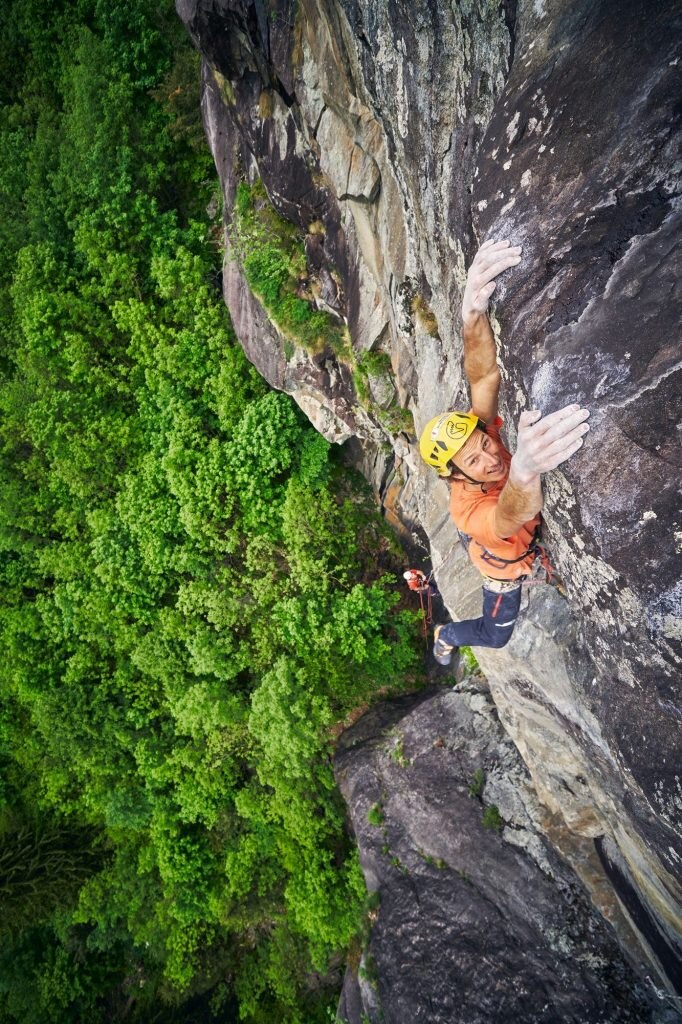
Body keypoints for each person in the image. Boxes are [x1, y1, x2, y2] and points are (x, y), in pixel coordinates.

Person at [419, 239, 590, 665]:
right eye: (475, 461)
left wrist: (471, 315)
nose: (491, 457)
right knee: (495, 637)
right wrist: (525, 471)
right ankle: (446, 634)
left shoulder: (482, 439)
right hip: (500, 568)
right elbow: (505, 516)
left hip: (491, 530)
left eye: (485, 443)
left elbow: (483, 378)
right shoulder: (464, 509)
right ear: (456, 476)